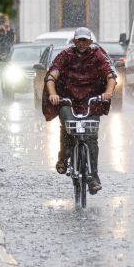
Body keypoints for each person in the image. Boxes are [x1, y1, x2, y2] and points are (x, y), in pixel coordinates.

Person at [43, 27, 117, 194]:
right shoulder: (66, 55)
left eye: (85, 40)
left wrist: (108, 92)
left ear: (90, 42)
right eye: (79, 40)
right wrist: (54, 94)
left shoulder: (98, 55)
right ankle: (63, 158)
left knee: (91, 139)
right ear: (74, 41)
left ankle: (93, 178)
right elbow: (51, 76)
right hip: (68, 100)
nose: (82, 44)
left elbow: (110, 76)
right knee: (68, 129)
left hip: (92, 102)